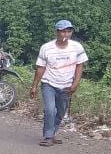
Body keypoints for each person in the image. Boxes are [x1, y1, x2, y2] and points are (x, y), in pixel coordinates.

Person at [29, 19, 88, 147]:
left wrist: (75, 84)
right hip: (49, 83)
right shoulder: (46, 48)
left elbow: (80, 66)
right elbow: (40, 68)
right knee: (50, 110)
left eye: (68, 31)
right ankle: (48, 136)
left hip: (66, 85)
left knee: (60, 112)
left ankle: (53, 133)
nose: (65, 34)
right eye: (62, 32)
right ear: (57, 32)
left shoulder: (77, 47)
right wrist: (34, 86)